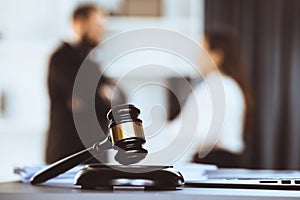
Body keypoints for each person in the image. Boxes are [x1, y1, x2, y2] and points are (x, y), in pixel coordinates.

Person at [45, 4, 124, 164]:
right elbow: (90, 101)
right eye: (96, 26)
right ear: (79, 23)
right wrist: (102, 96)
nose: (101, 32)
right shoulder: (61, 58)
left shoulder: (91, 62)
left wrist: (104, 97)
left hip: (95, 155)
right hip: (66, 155)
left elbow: (120, 99)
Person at [166, 30, 251, 166]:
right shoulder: (221, 84)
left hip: (217, 161)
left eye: (202, 51)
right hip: (218, 160)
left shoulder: (219, 85)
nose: (197, 57)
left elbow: (205, 132)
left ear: (216, 56)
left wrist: (165, 133)